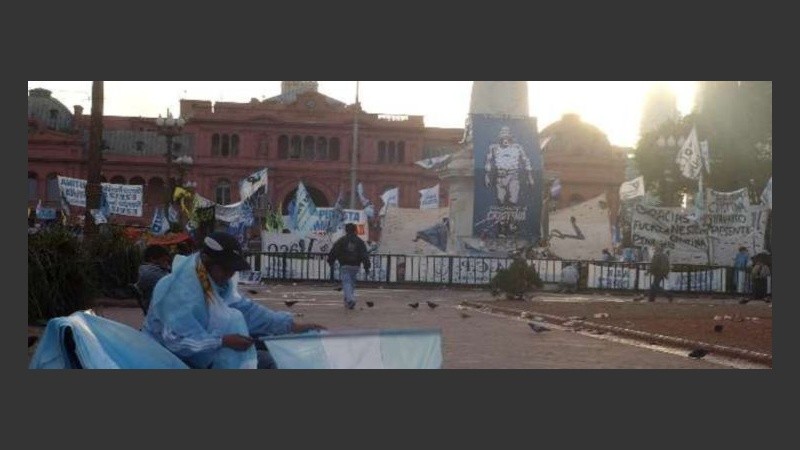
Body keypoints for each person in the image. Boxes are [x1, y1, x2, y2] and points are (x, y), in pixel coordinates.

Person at [143, 231, 326, 369]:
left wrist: (291, 326)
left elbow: (246, 310)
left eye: (233, 270)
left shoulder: (212, 281)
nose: (230, 275)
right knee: (267, 362)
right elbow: (177, 342)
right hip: (172, 358)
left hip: (208, 346)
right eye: (226, 269)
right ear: (207, 261)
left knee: (274, 347)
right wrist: (222, 341)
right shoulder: (179, 290)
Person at [484, 126, 536, 207]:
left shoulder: (517, 147)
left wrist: (530, 177)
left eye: (507, 137)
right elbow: (488, 161)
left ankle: (511, 217)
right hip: (500, 177)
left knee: (513, 200)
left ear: (510, 138)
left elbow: (526, 160)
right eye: (503, 138)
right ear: (500, 138)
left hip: (513, 177)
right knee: (500, 200)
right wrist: (487, 176)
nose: (505, 140)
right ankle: (502, 216)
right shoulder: (494, 148)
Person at [328, 223, 371, 310]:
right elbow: (364, 255)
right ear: (355, 230)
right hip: (356, 265)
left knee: (346, 283)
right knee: (351, 283)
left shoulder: (341, 240)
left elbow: (334, 251)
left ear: (346, 230)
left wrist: (330, 261)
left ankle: (350, 299)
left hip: (344, 264)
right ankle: (348, 301)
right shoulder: (360, 242)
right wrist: (367, 266)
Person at [134, 244, 172, 313]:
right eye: (164, 260)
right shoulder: (150, 273)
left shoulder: (153, 271)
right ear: (153, 259)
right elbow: (172, 282)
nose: (167, 264)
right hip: (160, 311)